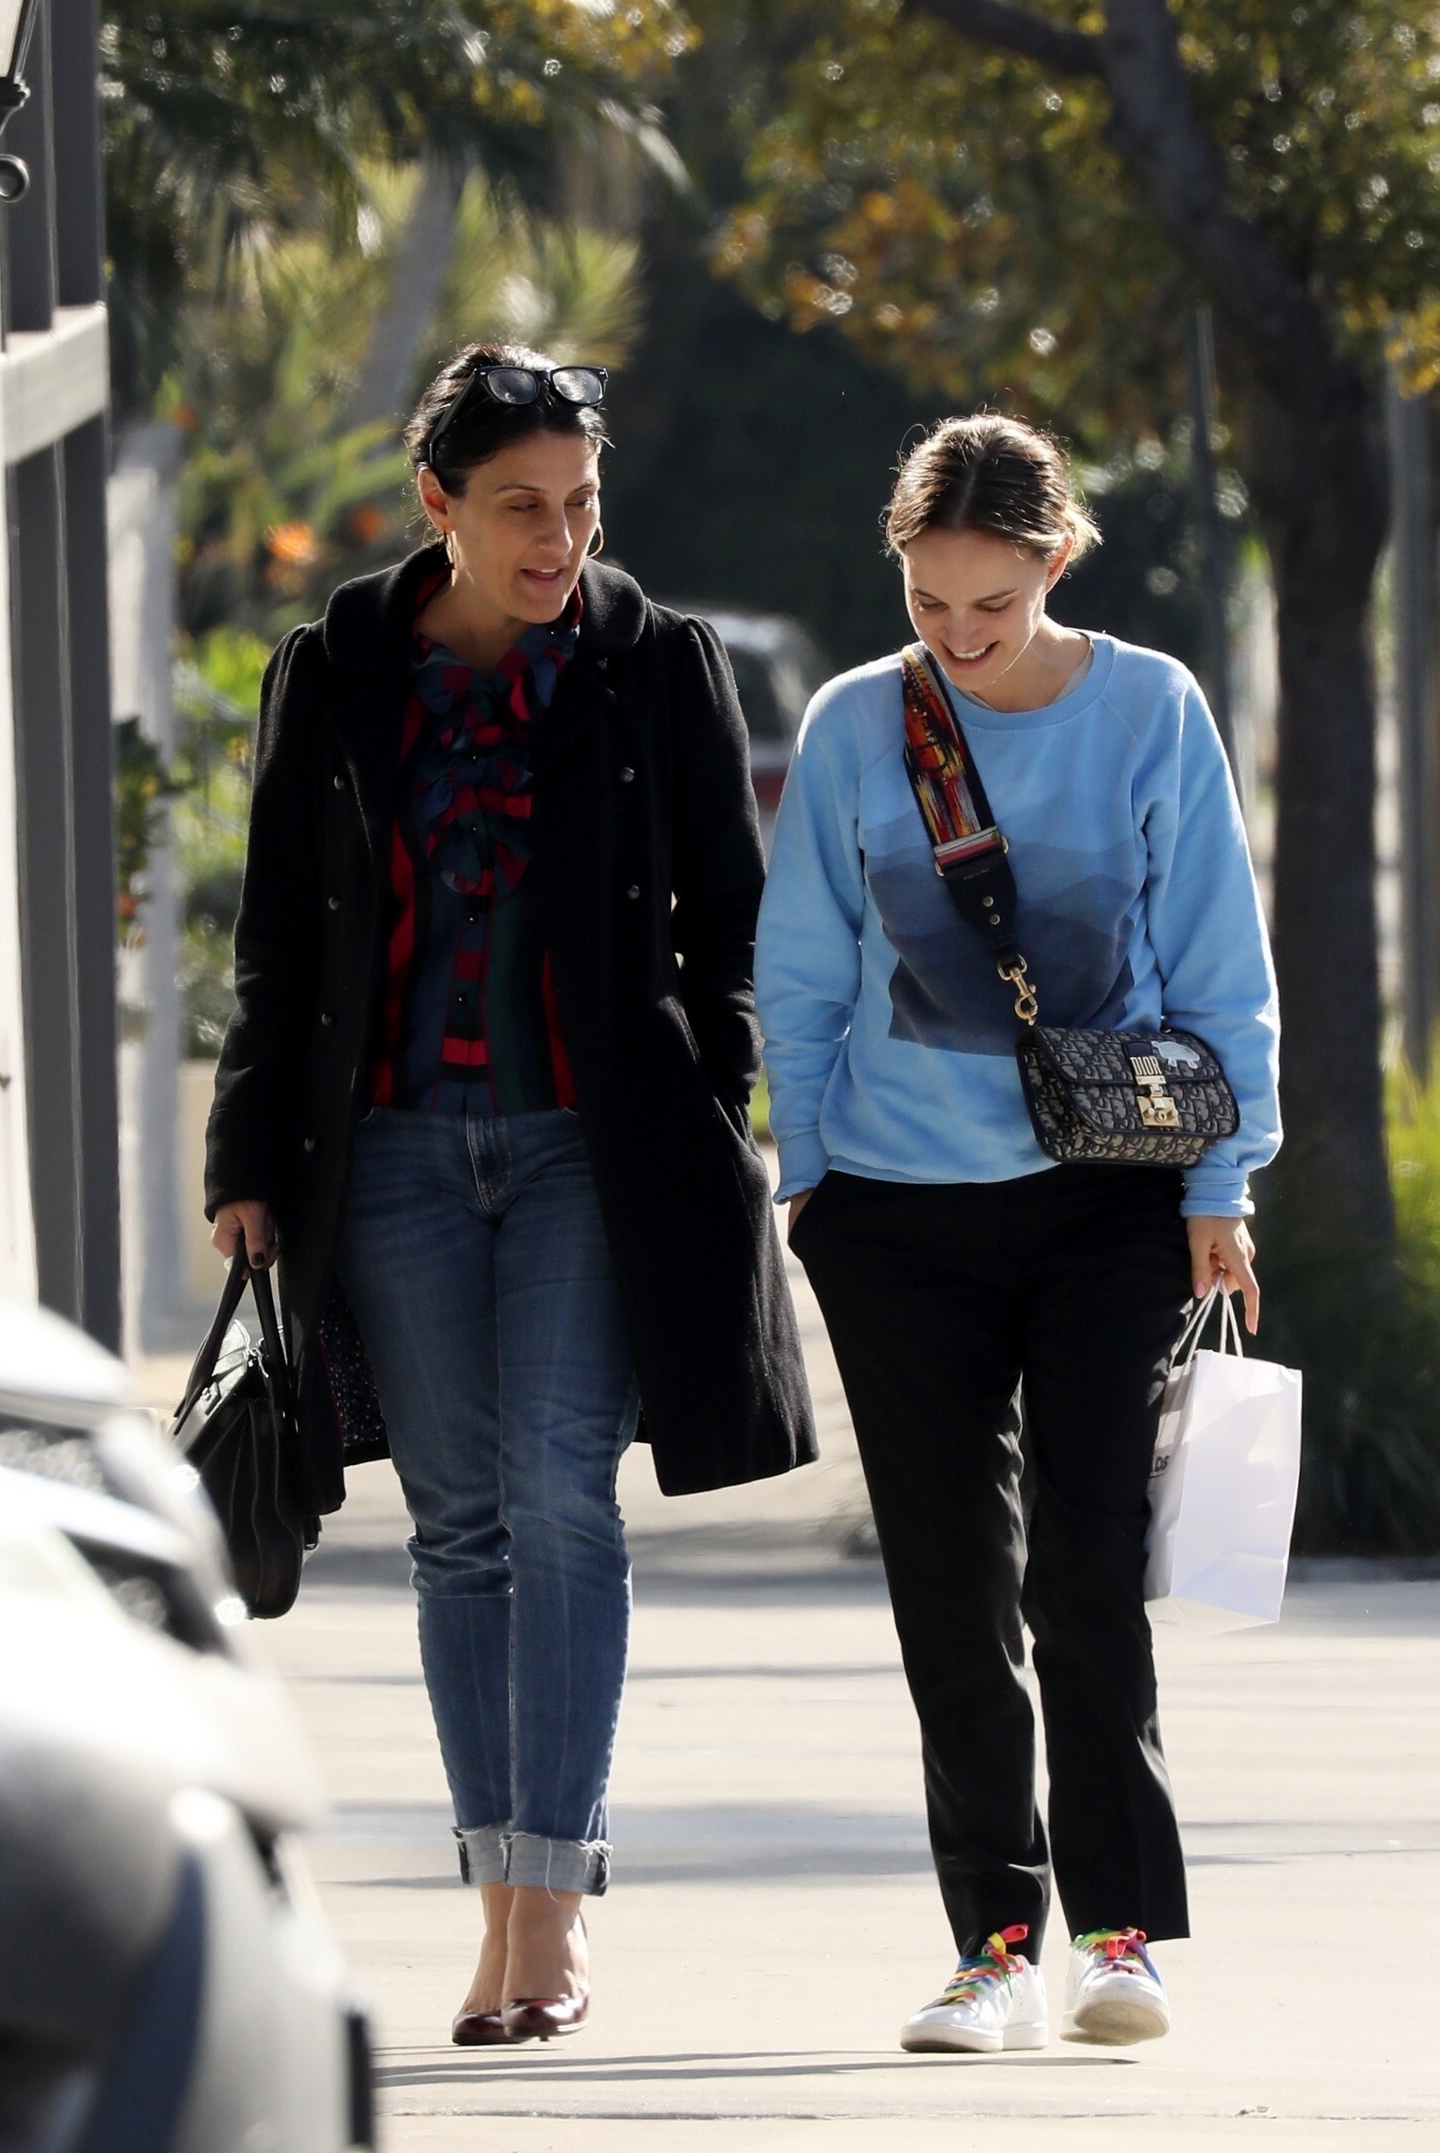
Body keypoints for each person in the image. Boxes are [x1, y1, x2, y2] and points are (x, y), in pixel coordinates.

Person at [205, 342, 815, 2047]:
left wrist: (711, 1089)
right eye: (521, 507)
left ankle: (552, 1913)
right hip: (389, 1153)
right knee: (457, 1527)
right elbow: (277, 940)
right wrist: (246, 1158)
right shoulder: (333, 671)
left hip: (582, 1151)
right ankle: (496, 1910)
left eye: (582, 503)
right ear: (440, 506)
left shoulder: (657, 665)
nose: (560, 538)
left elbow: (731, 917)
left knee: (561, 1497)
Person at [757, 411, 1279, 2053]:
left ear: (1057, 562)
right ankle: (991, 1947)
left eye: (992, 602)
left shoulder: (1150, 708)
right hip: (894, 1217)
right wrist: (809, 1174)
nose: (961, 636)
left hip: (1111, 1202)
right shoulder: (859, 723)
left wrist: (1222, 1185)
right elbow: (801, 962)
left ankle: (1118, 1938)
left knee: (1085, 1569)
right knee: (948, 1583)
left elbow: (1221, 962)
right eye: (930, 602)